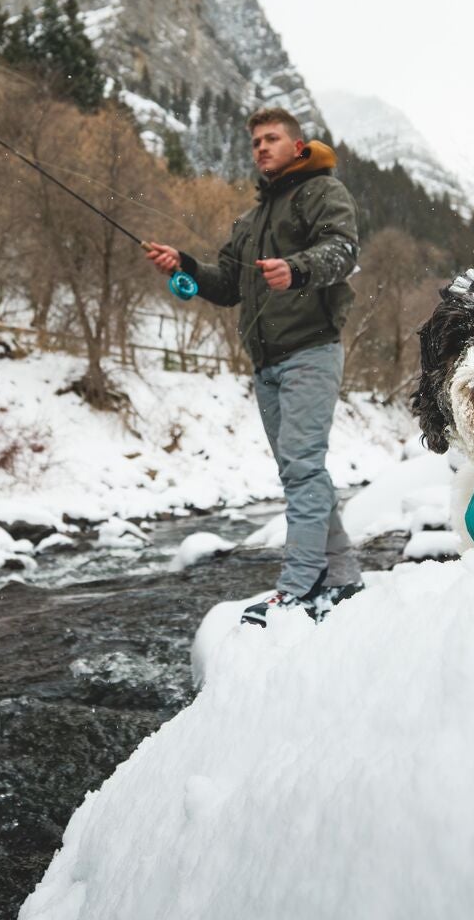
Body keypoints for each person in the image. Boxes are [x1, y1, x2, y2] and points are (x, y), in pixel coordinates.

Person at [145, 108, 364, 626]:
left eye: (272, 139)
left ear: (297, 145)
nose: (262, 148)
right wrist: (187, 268)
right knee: (299, 470)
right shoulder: (251, 220)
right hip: (266, 363)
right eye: (256, 142)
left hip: (311, 350)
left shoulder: (322, 193)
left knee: (303, 466)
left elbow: (344, 251)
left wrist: (298, 268)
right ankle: (343, 577)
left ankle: (301, 585)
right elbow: (226, 287)